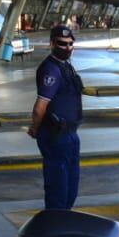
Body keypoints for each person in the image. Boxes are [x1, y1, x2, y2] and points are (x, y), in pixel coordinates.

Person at [27, 25, 84, 209]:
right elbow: (39, 108)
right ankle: (54, 227)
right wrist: (35, 128)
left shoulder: (66, 67)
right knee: (58, 189)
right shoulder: (51, 69)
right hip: (55, 135)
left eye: (70, 44)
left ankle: (62, 222)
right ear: (52, 43)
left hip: (70, 134)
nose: (67, 48)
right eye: (62, 43)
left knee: (70, 188)